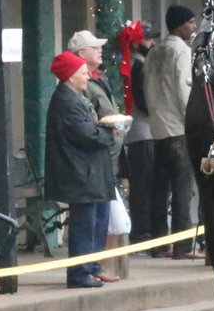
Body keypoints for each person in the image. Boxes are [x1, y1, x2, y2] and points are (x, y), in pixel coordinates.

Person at [45, 51, 118, 288]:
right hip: (81, 173)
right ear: (70, 76)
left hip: (91, 173)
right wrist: (109, 132)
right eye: (82, 72)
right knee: (84, 226)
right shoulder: (66, 102)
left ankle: (92, 267)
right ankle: (79, 273)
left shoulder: (76, 98)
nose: (87, 75)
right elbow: (86, 134)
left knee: (97, 223)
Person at [145, 5, 196, 258]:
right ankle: (182, 245)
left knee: (160, 190)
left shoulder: (154, 52)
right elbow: (185, 91)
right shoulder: (182, 52)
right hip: (179, 127)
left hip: (158, 127)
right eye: (190, 22)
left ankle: (158, 243)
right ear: (178, 26)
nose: (194, 26)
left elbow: (146, 89)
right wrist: (194, 121)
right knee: (182, 190)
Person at [120, 21, 158, 245]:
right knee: (144, 185)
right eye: (149, 38)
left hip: (140, 133)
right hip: (142, 132)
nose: (153, 42)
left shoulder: (135, 63)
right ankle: (142, 231)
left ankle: (143, 230)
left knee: (143, 185)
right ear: (136, 42)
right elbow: (144, 102)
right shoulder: (139, 66)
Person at [68, 30, 123, 174]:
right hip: (97, 160)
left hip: (109, 155)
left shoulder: (100, 78)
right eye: (94, 47)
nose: (100, 50)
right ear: (81, 53)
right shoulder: (79, 84)